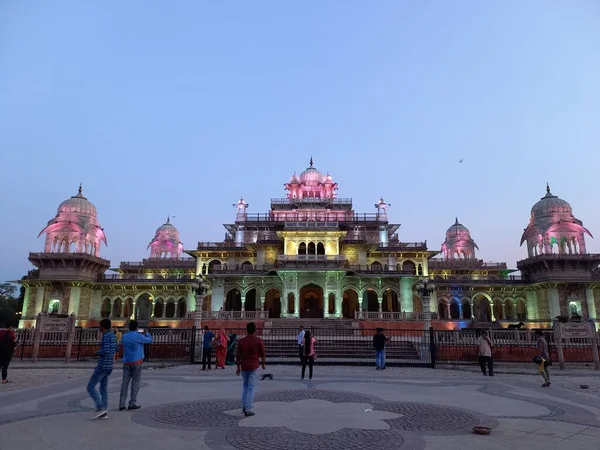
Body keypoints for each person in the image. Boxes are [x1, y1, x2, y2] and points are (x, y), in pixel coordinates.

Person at [119, 321, 153, 411]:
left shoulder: (124, 336)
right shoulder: (138, 336)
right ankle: (132, 403)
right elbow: (150, 340)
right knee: (135, 383)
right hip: (137, 362)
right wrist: (147, 333)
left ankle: (121, 404)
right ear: (137, 328)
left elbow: (121, 343)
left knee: (124, 384)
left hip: (126, 362)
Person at [87, 319, 117, 419]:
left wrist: (97, 352)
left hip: (103, 365)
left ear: (102, 327)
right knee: (103, 388)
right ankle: (104, 411)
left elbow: (106, 350)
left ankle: (100, 407)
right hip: (110, 366)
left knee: (90, 387)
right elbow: (116, 348)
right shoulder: (113, 336)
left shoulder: (106, 336)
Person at [236, 322, 266, 417]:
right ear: (255, 330)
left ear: (246, 330)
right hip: (254, 366)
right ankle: (248, 409)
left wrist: (238, 367)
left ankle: (244, 406)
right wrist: (263, 364)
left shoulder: (241, 341)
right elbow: (263, 354)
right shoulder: (258, 340)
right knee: (251, 388)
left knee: (245, 386)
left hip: (244, 366)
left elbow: (238, 356)